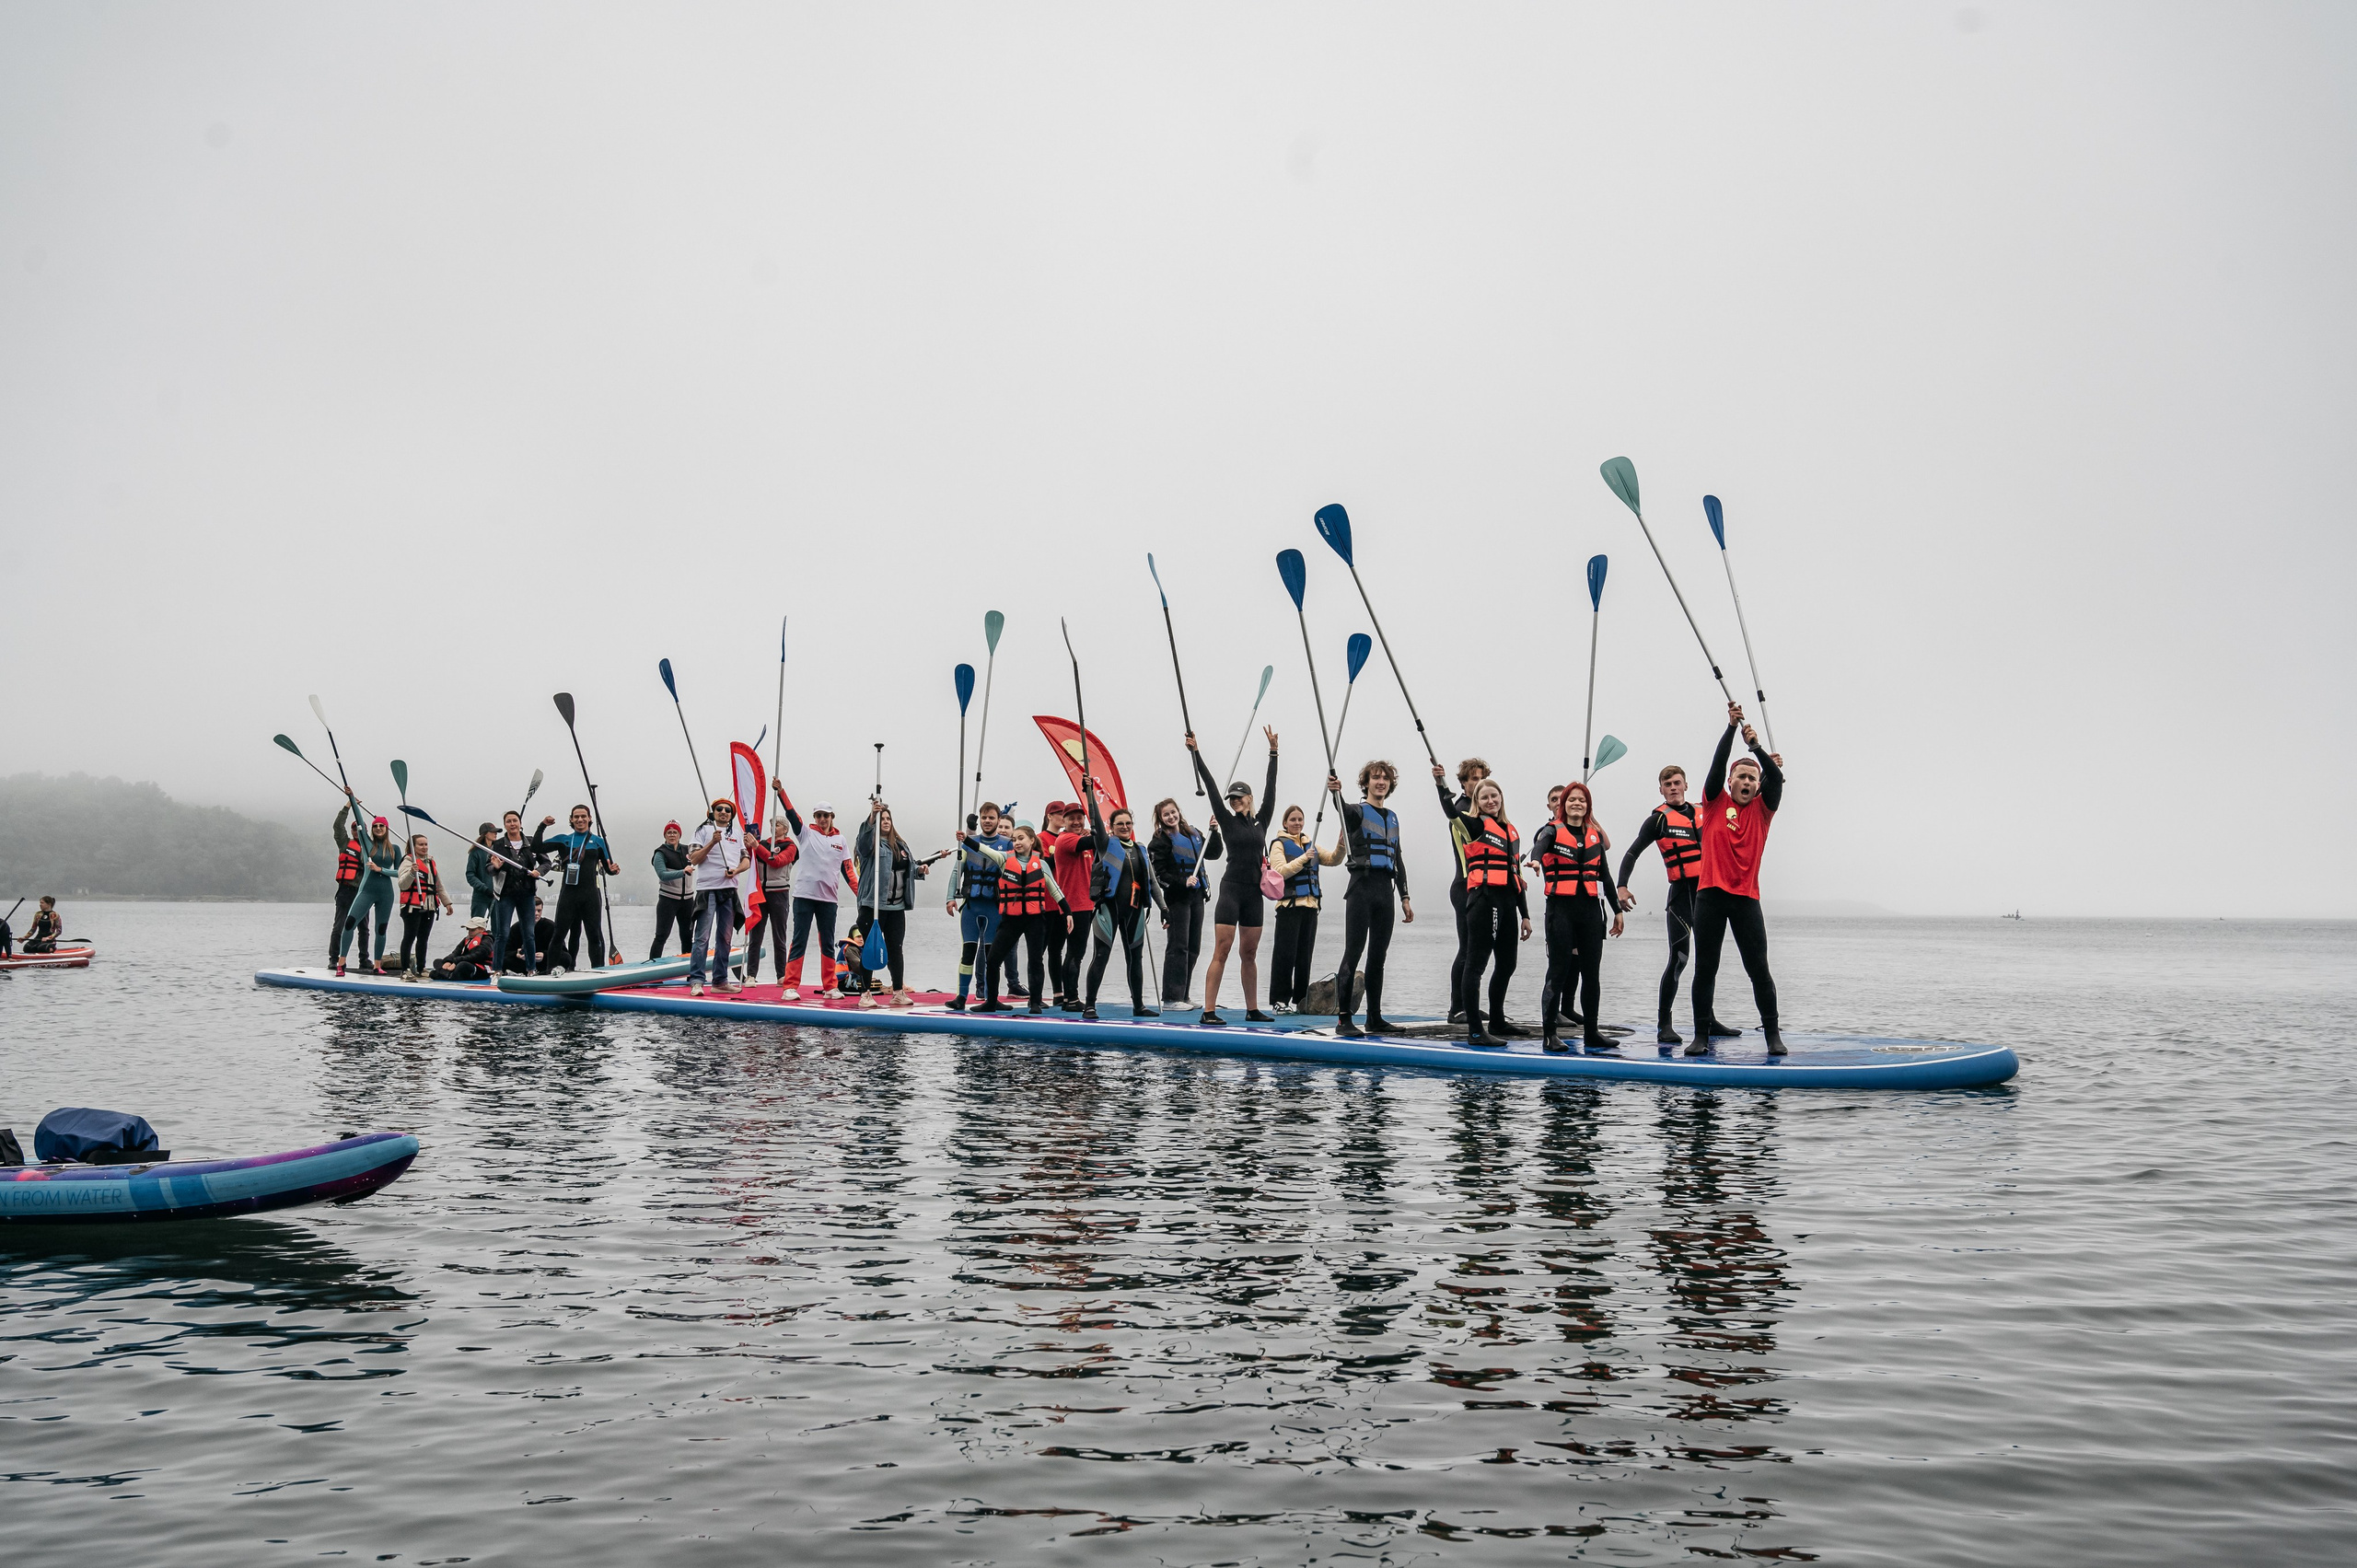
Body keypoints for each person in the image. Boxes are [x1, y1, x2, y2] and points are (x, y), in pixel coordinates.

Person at [1686, 703, 1787, 1057]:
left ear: (1758, 786)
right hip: (1710, 896)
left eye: (1752, 778)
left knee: (1759, 968)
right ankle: (1701, 1035)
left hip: (1746, 898)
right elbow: (1715, 769)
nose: (1746, 782)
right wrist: (1731, 729)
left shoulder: (1763, 810)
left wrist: (1757, 748)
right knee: (1705, 968)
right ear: (1731, 783)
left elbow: (1777, 782)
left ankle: (1773, 1035)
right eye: (1741, 777)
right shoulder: (1714, 803)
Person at [1614, 764, 1724, 1048]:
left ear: (1686, 785)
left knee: (1708, 963)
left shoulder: (1705, 810)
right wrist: (1622, 885)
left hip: (1709, 894)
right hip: (1681, 897)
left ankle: (1708, 1019)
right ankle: (1664, 1025)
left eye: (1677, 783)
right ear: (1661, 790)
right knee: (1679, 960)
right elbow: (1632, 852)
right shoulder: (1658, 820)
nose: (1673, 787)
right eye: (1667, 784)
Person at [1187, 726, 1280, 1027]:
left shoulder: (1262, 820)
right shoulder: (1226, 820)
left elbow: (1271, 788)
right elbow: (1212, 785)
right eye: (1232, 799)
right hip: (1231, 891)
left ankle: (1252, 1009)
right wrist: (1196, 752)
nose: (1234, 801)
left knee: (1249, 953)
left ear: (1249, 798)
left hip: (1254, 893)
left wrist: (1273, 753)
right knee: (1222, 950)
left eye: (1239, 797)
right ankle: (1209, 1011)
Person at [1434, 764, 1529, 1048]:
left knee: (1508, 963)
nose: (1491, 801)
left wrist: (1525, 914)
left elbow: (1517, 875)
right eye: (1484, 797)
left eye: (1494, 796)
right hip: (1482, 900)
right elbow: (1450, 811)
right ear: (1477, 802)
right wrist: (1441, 784)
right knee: (1475, 964)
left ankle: (1497, 1020)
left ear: (1501, 799)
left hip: (1508, 900)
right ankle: (1475, 1030)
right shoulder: (1473, 825)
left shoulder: (1511, 832)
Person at [1323, 761, 1414, 1038]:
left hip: (1384, 891)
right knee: (1353, 952)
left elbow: (1397, 858)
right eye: (1375, 778)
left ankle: (1374, 1018)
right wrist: (1335, 793)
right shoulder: (1357, 812)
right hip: (1361, 887)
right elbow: (1343, 809)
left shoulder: (1393, 818)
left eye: (1385, 778)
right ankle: (1343, 1019)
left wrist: (1405, 897)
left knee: (1378, 957)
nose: (1381, 782)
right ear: (1366, 783)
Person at [1534, 782, 1624, 1054]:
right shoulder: (1551, 831)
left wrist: (1617, 910)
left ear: (1588, 806)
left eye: (1581, 800)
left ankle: (1592, 1033)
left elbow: (1605, 876)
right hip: (1561, 910)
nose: (1576, 803)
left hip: (1590, 912)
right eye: (1571, 800)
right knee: (1558, 971)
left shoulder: (1595, 835)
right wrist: (1536, 861)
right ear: (1563, 805)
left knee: (1592, 975)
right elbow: (1539, 847)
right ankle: (1550, 1034)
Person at [958, 822, 1072, 1015]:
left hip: (1035, 919)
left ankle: (1035, 1002)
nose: (1016, 842)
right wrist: (967, 839)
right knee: (993, 960)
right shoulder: (1004, 859)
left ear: (1031, 841)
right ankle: (991, 1001)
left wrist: (1067, 912)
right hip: (1011, 919)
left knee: (1036, 961)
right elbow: (985, 850)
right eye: (1014, 839)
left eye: (1021, 838)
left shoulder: (1041, 864)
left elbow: (1054, 889)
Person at [1081, 783, 1164, 1020]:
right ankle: (1090, 1006)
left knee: (1135, 959)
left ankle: (1138, 1006)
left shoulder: (1141, 850)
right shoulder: (1106, 845)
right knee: (1101, 956)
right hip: (1108, 909)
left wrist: (1164, 908)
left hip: (1134, 912)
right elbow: (1095, 821)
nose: (1125, 827)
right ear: (1112, 827)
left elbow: (1152, 882)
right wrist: (1090, 794)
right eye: (1120, 824)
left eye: (1128, 823)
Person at [772, 786, 857, 1001]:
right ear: (815, 817)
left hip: (828, 899)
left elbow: (848, 870)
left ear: (832, 817)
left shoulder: (841, 841)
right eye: (818, 815)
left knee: (827, 942)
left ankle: (830, 987)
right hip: (804, 896)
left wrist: (861, 895)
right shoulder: (806, 833)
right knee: (799, 939)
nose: (822, 819)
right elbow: (791, 814)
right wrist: (781, 792)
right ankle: (790, 987)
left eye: (826, 816)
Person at [1265, 805, 1344, 1014]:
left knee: (1304, 957)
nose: (1297, 823)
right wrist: (1303, 858)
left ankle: (1301, 1000)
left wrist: (1342, 845)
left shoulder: (1311, 845)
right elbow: (1280, 871)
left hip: (1310, 908)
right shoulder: (1278, 845)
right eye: (1293, 819)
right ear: (1285, 823)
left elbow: (1334, 859)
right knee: (1285, 955)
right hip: (1289, 907)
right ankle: (1279, 1000)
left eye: (1300, 819)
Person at [853, 801, 932, 1006]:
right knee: (870, 949)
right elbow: (862, 843)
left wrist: (920, 870)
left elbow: (909, 868)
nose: (886, 822)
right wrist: (872, 816)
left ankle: (898, 991)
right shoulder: (870, 845)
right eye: (882, 819)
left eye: (888, 819)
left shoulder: (901, 846)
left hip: (896, 907)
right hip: (873, 906)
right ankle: (866, 994)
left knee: (896, 949)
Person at [1146, 797, 1220, 1007]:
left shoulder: (1193, 833)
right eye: (1166, 815)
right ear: (1161, 819)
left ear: (1178, 811)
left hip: (1197, 897)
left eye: (1173, 812)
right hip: (1177, 899)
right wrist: (1182, 881)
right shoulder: (1160, 841)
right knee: (1178, 947)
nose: (1171, 817)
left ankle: (1184, 995)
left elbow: (1214, 853)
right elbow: (1158, 875)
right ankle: (1171, 997)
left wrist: (1215, 832)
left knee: (1193, 947)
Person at [531, 805, 620, 971]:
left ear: (589, 819)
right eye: (576, 817)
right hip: (568, 895)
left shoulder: (599, 842)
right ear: (571, 819)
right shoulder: (564, 839)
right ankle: (551, 972)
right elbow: (536, 847)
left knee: (594, 936)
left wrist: (614, 870)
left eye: (583, 816)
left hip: (591, 895)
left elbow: (608, 869)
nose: (580, 820)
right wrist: (542, 825)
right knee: (558, 935)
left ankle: (598, 971)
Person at [947, 801, 1011, 1012]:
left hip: (994, 906)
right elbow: (957, 871)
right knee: (968, 953)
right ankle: (961, 997)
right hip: (972, 906)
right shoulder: (968, 842)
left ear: (998, 820)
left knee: (993, 957)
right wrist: (950, 897)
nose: (987, 821)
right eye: (984, 817)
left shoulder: (1007, 844)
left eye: (991, 817)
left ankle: (992, 998)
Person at [1445, 757, 1492, 1023]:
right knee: (1467, 948)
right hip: (1464, 886)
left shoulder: (1488, 812)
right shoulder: (1463, 811)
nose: (1478, 783)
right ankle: (1456, 1008)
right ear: (1463, 783)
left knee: (1480, 949)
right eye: (1473, 778)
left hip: (1483, 889)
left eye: (1481, 778)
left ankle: (1471, 1004)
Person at [686, 796, 749, 996]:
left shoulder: (737, 833)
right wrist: (712, 842)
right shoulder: (703, 831)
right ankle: (697, 980)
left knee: (725, 937)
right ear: (713, 812)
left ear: (731, 815)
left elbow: (746, 860)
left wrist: (737, 870)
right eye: (719, 809)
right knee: (702, 937)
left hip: (729, 890)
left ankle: (720, 980)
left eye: (727, 810)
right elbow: (694, 859)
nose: (723, 812)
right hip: (707, 889)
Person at [336, 803, 407, 976]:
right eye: (375, 826)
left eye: (381, 825)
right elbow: (359, 821)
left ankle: (377, 966)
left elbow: (400, 872)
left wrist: (380, 869)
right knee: (349, 924)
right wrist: (351, 799)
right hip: (367, 890)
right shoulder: (367, 844)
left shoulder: (395, 849)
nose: (378, 828)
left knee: (380, 929)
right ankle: (341, 963)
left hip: (386, 894)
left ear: (387, 828)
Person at [1043, 800, 1097, 1011]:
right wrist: (1100, 831)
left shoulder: (1081, 839)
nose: (1076, 821)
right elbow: (1093, 842)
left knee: (1075, 951)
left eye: (1079, 817)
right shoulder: (1066, 839)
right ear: (1063, 821)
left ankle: (1068, 998)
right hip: (1074, 904)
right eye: (1071, 818)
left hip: (1086, 903)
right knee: (1075, 952)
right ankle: (1071, 998)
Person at [486, 811, 544, 974]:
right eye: (509, 821)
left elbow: (546, 862)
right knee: (502, 933)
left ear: (520, 823)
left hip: (527, 894)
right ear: (505, 825)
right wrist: (495, 867)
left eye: (515, 821)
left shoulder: (531, 843)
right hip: (505, 894)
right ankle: (497, 970)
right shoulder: (497, 846)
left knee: (529, 934)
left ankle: (532, 969)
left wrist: (538, 871)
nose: (512, 824)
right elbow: (488, 868)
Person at [743, 815, 799, 981]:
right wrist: (749, 846)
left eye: (777, 825)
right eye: (771, 824)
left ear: (785, 829)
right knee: (756, 937)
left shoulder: (790, 846)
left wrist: (756, 846)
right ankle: (751, 975)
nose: (773, 827)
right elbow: (751, 858)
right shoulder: (762, 844)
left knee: (779, 937)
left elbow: (777, 861)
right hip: (760, 894)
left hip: (779, 894)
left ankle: (781, 975)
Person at [396, 832, 455, 980]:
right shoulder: (408, 861)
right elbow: (402, 884)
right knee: (409, 937)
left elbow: (438, 885)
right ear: (413, 847)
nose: (424, 847)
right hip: (412, 906)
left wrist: (447, 902)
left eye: (426, 844)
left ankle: (421, 968)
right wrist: (411, 873)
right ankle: (405, 970)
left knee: (423, 938)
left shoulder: (430, 862)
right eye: (420, 844)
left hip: (429, 906)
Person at [649, 821, 695, 960]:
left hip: (687, 901)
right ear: (665, 835)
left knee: (687, 936)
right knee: (661, 936)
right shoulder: (660, 853)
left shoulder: (688, 850)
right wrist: (683, 871)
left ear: (679, 835)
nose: (672, 835)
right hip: (668, 900)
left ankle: (690, 971)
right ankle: (652, 970)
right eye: (669, 832)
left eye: (675, 832)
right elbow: (662, 874)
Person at [330, 803, 367, 966]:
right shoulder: (344, 843)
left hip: (363, 893)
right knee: (339, 927)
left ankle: (364, 960)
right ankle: (334, 960)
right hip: (345, 891)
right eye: (354, 828)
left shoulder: (371, 848)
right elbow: (338, 826)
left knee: (364, 929)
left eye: (360, 828)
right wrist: (347, 806)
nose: (357, 831)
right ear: (352, 831)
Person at [430, 915, 499, 981]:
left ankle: (445, 975)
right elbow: (456, 952)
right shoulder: (467, 939)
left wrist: (457, 961)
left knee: (463, 965)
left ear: (481, 929)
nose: (469, 932)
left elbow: (478, 956)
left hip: (480, 968)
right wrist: (448, 961)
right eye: (468, 929)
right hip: (462, 962)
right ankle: (450, 975)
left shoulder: (487, 940)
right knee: (437, 961)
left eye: (472, 930)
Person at [464, 823, 499, 919]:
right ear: (485, 834)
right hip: (480, 896)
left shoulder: (500, 851)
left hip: (497, 896)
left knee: (498, 929)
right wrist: (484, 889)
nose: (495, 833)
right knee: (476, 926)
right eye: (493, 832)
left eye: (496, 832)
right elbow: (470, 875)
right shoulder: (476, 852)